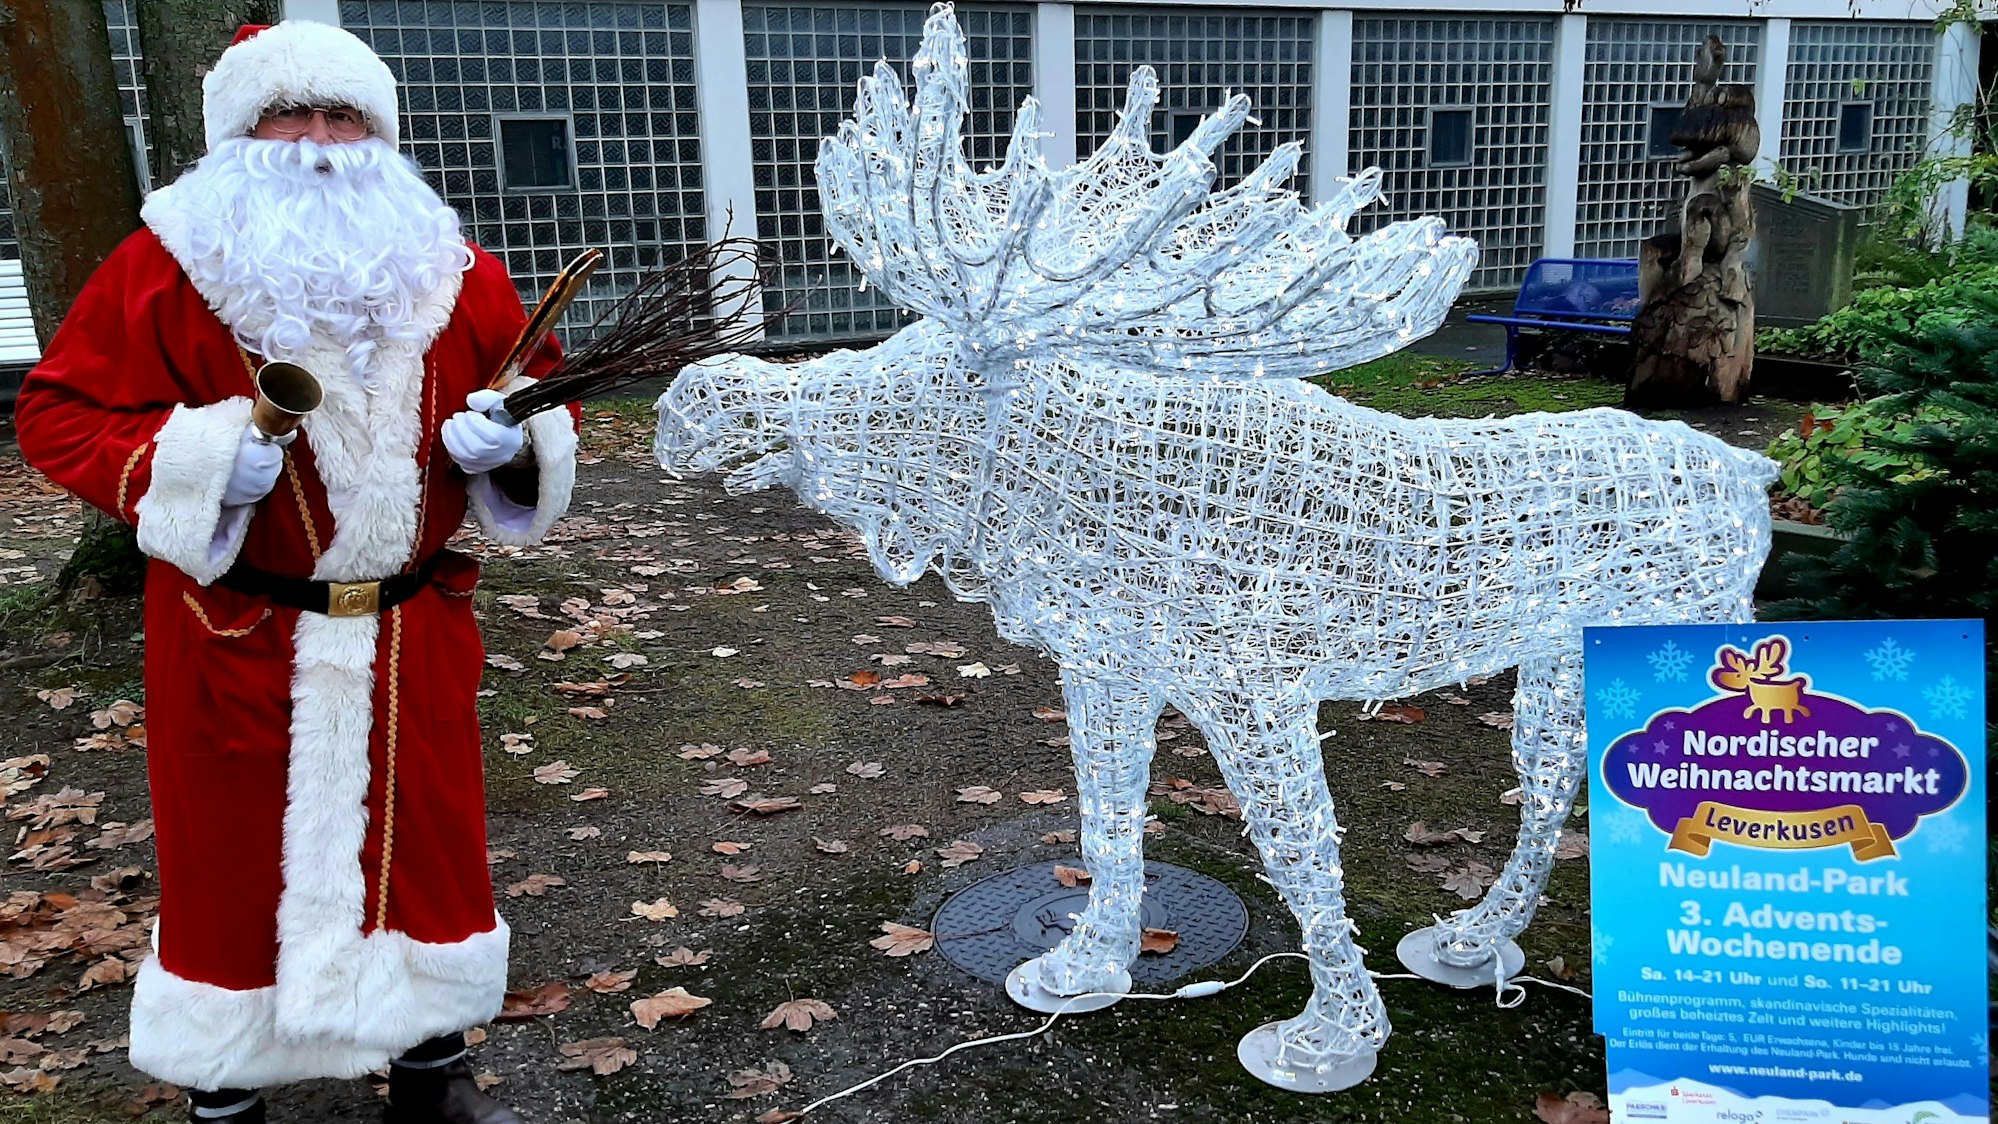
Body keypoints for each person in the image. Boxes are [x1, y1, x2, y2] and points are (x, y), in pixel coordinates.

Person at [13, 20, 580, 1124]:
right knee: (230, 861)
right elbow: (59, 413)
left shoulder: (452, 269)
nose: (321, 141)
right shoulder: (165, 265)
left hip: (414, 634)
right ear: (240, 134)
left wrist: (510, 441)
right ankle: (225, 1092)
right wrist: (206, 456)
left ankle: (432, 1072)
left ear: (381, 133)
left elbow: (533, 379)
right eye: (292, 115)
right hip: (237, 632)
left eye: (346, 116)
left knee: (430, 852)